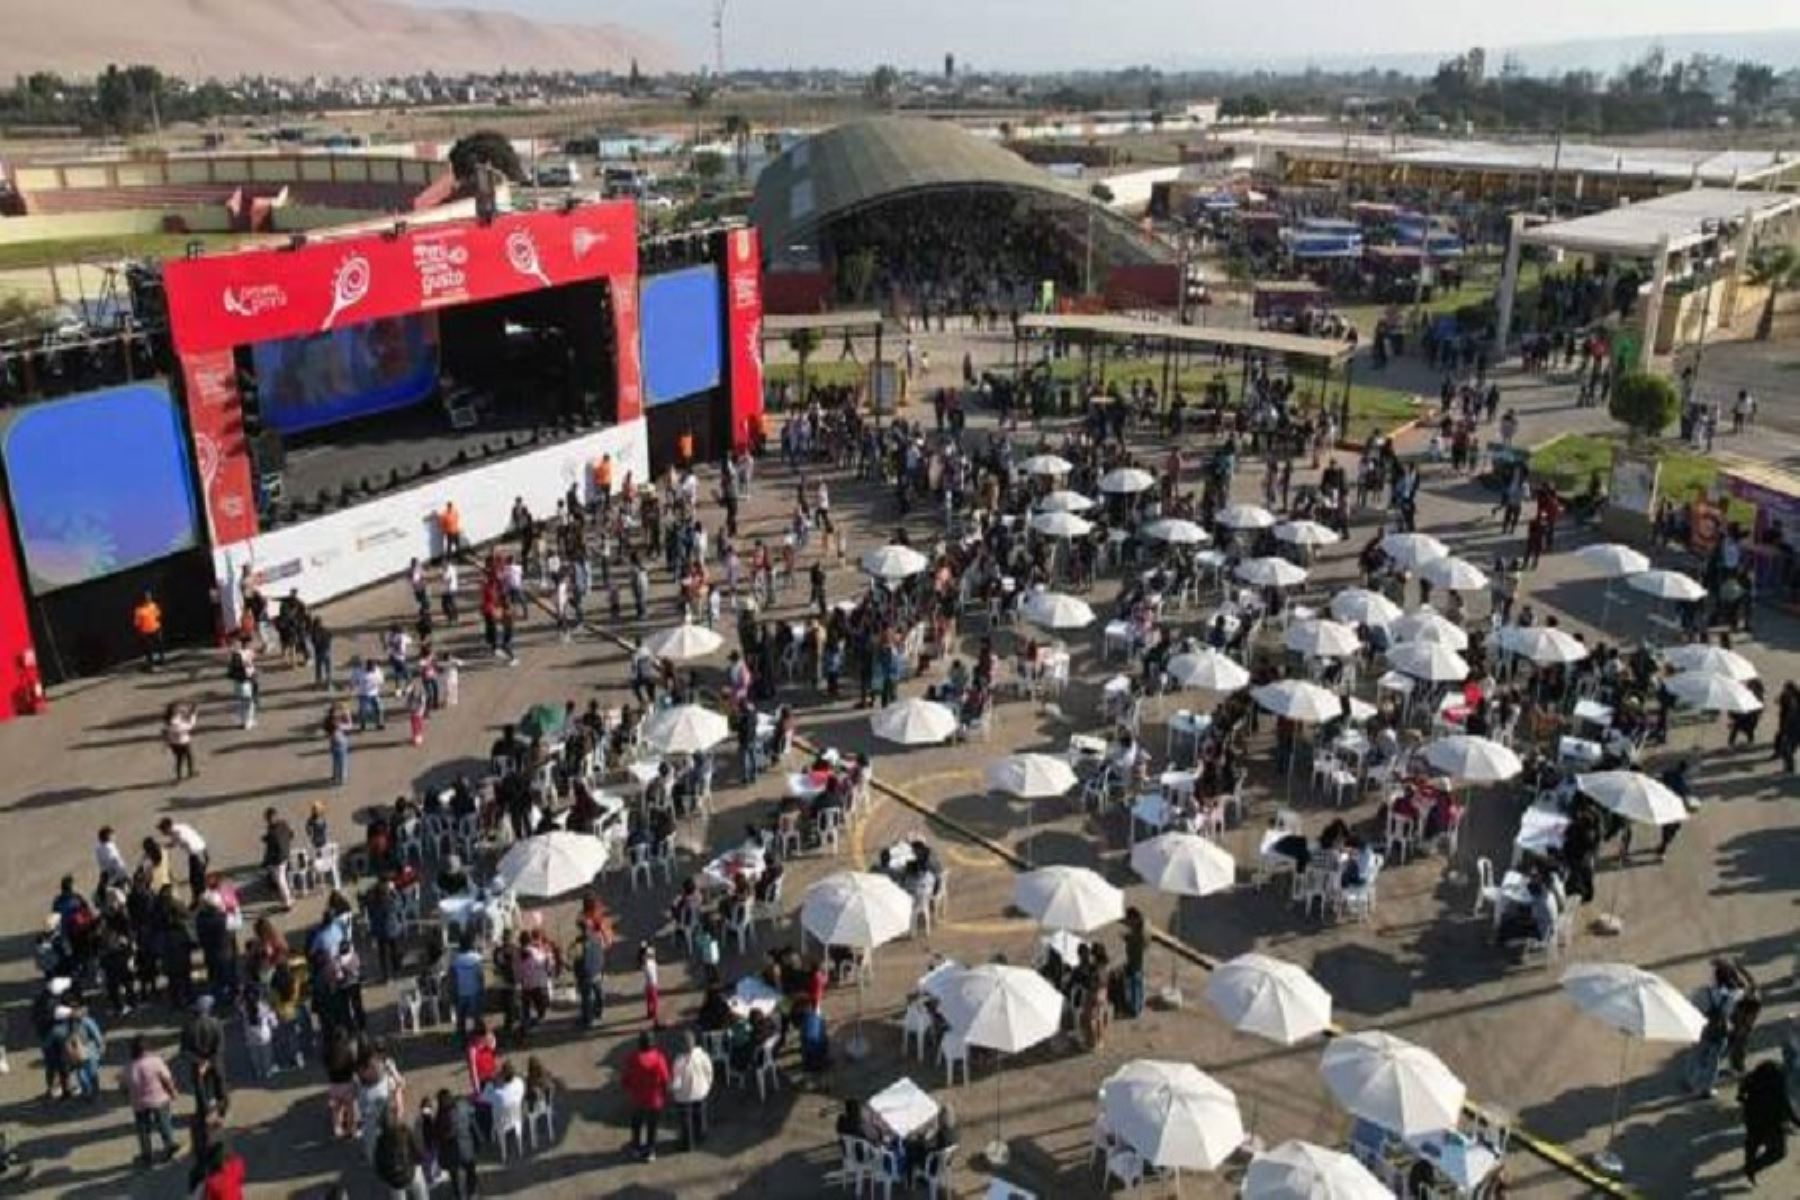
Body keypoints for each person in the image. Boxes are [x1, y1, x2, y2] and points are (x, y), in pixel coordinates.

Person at [1739, 1057, 1798, 1185]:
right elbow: (1786, 1107)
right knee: (1778, 1152)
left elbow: (1741, 1095)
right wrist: (1797, 1122)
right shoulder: (1777, 1086)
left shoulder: (1752, 1080)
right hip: (1772, 1123)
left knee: (1752, 1144)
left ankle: (1750, 1165)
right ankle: (1752, 1166)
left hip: (1752, 1117)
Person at [122, 1035, 181, 1164]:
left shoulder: (129, 1067)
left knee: (143, 1130)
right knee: (164, 1123)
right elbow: (166, 1079)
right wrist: (173, 1092)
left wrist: (129, 1095)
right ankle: (169, 1145)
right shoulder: (155, 1061)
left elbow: (124, 1087)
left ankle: (146, 1155)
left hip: (139, 1103)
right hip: (159, 1098)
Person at [622, 1031, 672, 1162]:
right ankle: (650, 1151)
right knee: (652, 1126)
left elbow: (626, 1078)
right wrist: (665, 1093)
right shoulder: (658, 1058)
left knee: (636, 1124)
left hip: (637, 1098)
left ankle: (636, 1148)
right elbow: (665, 1079)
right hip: (654, 1099)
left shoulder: (633, 1058)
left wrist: (629, 1089)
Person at [431, 1088, 479, 1200]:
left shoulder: (441, 1118)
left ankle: (460, 1196)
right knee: (471, 1172)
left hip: (453, 1155)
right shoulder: (463, 1106)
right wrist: (477, 1142)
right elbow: (473, 1124)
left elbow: (438, 1137)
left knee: (456, 1180)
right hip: (467, 1147)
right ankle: (472, 1193)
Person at [669, 1030, 714, 1151]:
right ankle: (701, 1137)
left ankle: (688, 1144)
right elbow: (709, 1071)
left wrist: (672, 1090)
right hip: (700, 1092)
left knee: (686, 1121)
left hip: (684, 1096)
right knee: (700, 1115)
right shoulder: (702, 1056)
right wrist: (707, 1085)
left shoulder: (678, 1061)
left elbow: (677, 1082)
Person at [373, 1107, 429, 1199]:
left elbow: (378, 1163)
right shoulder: (405, 1132)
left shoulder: (381, 1139)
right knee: (421, 1193)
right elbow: (418, 1152)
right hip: (411, 1173)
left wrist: (387, 1178)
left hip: (395, 1180)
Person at [1121, 908, 1148, 1018]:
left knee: (1135, 985)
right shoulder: (1139, 928)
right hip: (1135, 961)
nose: (1128, 923)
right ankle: (1138, 1006)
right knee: (1138, 984)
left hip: (1135, 961)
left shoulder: (1139, 932)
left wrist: (1127, 938)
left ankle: (1135, 1009)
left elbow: (1135, 942)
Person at [163, 702, 198, 781]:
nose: (179, 710)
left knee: (179, 759)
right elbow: (189, 726)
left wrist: (190, 711)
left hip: (174, 743)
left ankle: (179, 776)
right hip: (182, 742)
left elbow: (183, 713)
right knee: (188, 757)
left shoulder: (169, 720)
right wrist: (193, 715)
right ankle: (189, 773)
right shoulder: (175, 721)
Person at [134, 591, 164, 670]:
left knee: (159, 644)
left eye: (149, 596)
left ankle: (161, 660)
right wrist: (141, 632)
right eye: (146, 597)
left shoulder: (153, 605)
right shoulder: (139, 610)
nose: (148, 598)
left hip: (155, 628)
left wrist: (157, 626)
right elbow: (137, 623)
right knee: (149, 648)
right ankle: (150, 664)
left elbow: (158, 615)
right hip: (146, 632)